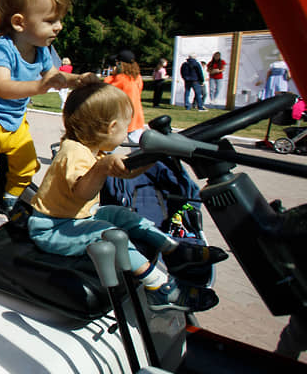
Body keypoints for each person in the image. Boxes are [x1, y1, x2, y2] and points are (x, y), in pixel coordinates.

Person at [28, 83, 226, 312]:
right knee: (107, 233)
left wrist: (154, 157)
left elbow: (128, 171)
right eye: (126, 126)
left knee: (120, 214)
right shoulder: (73, 152)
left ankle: (175, 250)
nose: (127, 132)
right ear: (112, 127)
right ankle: (160, 288)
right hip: (51, 228)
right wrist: (101, 168)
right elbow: (83, 192)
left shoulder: (94, 150)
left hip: (75, 217)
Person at [0, 0, 97, 241]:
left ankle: (10, 201)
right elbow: (2, 86)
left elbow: (54, 76)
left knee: (27, 166)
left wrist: (76, 80)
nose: (58, 27)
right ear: (19, 22)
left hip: (13, 118)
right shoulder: (2, 50)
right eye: (50, 20)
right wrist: (40, 86)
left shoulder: (42, 51)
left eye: (59, 20)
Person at [104, 49, 147, 143]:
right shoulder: (137, 77)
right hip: (136, 117)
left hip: (121, 117)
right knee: (138, 148)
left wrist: (111, 75)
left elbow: (107, 89)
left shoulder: (121, 78)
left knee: (107, 147)